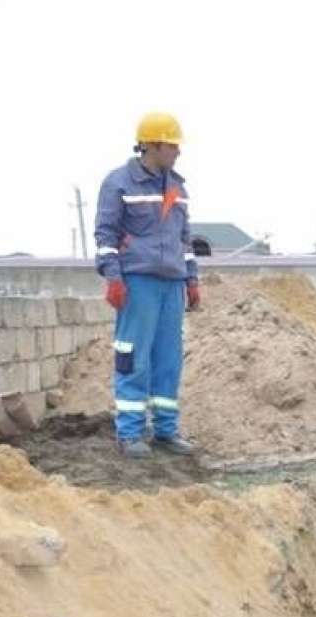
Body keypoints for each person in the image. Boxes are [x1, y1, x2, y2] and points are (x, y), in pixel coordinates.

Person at [94, 111, 200, 458]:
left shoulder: (177, 188)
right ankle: (129, 433)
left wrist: (192, 279)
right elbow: (106, 236)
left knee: (168, 359)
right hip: (137, 281)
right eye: (172, 145)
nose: (177, 152)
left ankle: (166, 431)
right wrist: (113, 277)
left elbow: (184, 240)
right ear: (152, 145)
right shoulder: (119, 183)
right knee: (133, 356)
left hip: (172, 282)